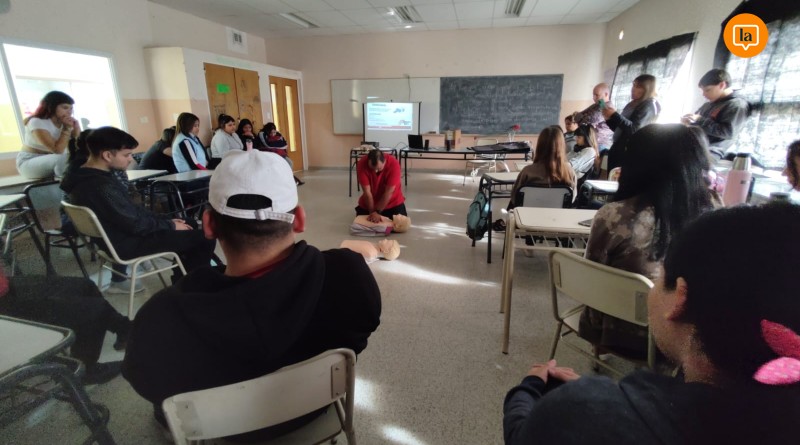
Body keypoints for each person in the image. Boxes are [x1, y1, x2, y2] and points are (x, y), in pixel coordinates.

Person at [123, 150, 381, 440]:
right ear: (299, 219)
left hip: (225, 432)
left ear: (208, 225)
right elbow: (362, 332)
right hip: (313, 413)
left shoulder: (160, 318)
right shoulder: (350, 276)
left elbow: (146, 382)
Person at [503, 203, 800, 444]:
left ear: (679, 298)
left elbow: (521, 434)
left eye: (659, 276)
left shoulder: (579, 418)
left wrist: (530, 387)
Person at [579, 124, 715, 356]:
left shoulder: (615, 215)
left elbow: (591, 276)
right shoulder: (714, 216)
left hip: (618, 334)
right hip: (691, 344)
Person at [60, 126, 216, 281]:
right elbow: (134, 223)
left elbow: (132, 212)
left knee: (188, 223)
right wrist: (170, 225)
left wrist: (168, 221)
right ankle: (193, 284)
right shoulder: (100, 186)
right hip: (126, 243)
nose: (130, 159)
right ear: (107, 155)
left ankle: (183, 278)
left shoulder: (83, 176)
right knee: (205, 238)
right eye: (126, 155)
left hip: (115, 239)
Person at [0, 269, 132, 385]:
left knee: (86, 286)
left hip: (5, 287)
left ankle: (124, 329)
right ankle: (85, 371)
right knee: (94, 310)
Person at [681, 68, 751, 160]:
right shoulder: (709, 104)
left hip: (712, 151)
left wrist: (699, 120)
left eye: (707, 90)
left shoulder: (737, 105)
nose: (704, 94)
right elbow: (697, 122)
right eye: (703, 90)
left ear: (722, 85)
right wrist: (689, 122)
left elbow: (727, 132)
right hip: (697, 145)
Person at [508, 126, 576, 210]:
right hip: (557, 216)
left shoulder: (527, 172)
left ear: (540, 146)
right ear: (562, 146)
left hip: (528, 216)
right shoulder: (569, 172)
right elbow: (572, 199)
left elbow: (515, 198)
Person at [17, 91, 81, 179]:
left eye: (71, 108)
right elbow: (57, 150)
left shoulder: (65, 122)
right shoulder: (37, 121)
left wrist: (76, 130)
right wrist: (66, 129)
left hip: (55, 160)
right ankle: (67, 184)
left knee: (81, 158)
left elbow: (78, 147)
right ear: (52, 106)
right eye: (65, 107)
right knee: (64, 159)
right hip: (29, 162)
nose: (69, 112)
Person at [603, 74, 661, 171]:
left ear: (647, 89)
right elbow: (620, 130)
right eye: (633, 85)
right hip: (618, 148)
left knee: (619, 179)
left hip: (629, 152)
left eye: (638, 87)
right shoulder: (633, 104)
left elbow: (634, 130)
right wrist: (608, 119)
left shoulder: (649, 106)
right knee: (611, 177)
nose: (633, 89)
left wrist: (615, 115)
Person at [356, 149, 407, 222]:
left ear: (384, 161)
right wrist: (372, 212)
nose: (375, 171)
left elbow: (389, 192)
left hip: (392, 201)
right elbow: (367, 192)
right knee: (361, 223)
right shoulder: (362, 163)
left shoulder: (394, 164)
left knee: (402, 223)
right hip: (370, 202)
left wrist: (378, 212)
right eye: (372, 169)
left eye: (378, 168)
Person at [574, 83, 614, 152]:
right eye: (593, 95)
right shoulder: (598, 104)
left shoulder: (606, 108)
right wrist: (582, 117)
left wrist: (582, 117)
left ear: (606, 94)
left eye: (597, 95)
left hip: (599, 144)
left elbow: (587, 122)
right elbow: (576, 116)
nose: (594, 98)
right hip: (591, 142)